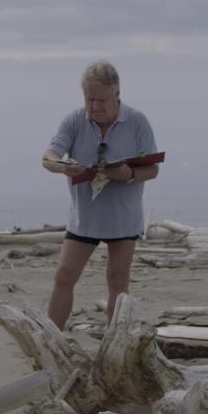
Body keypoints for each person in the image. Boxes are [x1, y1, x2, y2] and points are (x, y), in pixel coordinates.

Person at [40, 60, 160, 329]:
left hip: (123, 219)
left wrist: (129, 174)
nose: (95, 106)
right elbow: (48, 157)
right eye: (89, 99)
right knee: (64, 276)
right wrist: (63, 167)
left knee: (118, 280)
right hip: (85, 218)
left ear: (116, 94)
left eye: (102, 100)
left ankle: (115, 343)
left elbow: (152, 169)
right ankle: (50, 339)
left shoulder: (137, 121)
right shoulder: (74, 120)